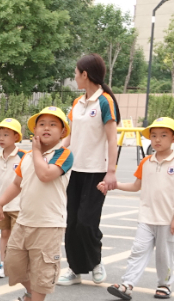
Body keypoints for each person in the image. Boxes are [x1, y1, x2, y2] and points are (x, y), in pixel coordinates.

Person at [0, 107, 73, 301]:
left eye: (53, 124)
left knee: (42, 270)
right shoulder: (26, 157)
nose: (46, 127)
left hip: (49, 224)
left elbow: (45, 174)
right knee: (12, 265)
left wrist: (36, 151)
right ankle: (29, 292)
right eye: (42, 123)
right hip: (24, 221)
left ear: (62, 132)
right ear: (34, 129)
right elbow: (17, 185)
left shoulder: (64, 154)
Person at [101, 117, 174, 301]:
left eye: (163, 135)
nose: (157, 139)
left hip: (168, 219)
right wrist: (114, 185)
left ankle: (164, 284)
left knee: (165, 256)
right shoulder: (146, 162)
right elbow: (135, 186)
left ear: (173, 138)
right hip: (146, 218)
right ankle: (127, 285)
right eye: (154, 135)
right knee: (138, 251)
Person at [58, 53, 120, 286]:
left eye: (76, 73)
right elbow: (70, 136)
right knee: (72, 223)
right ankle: (75, 269)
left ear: (85, 74)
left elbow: (112, 139)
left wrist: (111, 171)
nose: (74, 77)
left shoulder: (105, 102)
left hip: (96, 171)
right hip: (75, 170)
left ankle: (95, 262)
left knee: (87, 221)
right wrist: (55, 155)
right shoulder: (77, 103)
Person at [0, 118, 26, 278]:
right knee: (4, 234)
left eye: (6, 135)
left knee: (18, 237)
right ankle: (3, 263)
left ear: (16, 137)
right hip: (2, 206)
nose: (1, 138)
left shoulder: (24, 156)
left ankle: (17, 265)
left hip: (19, 205)